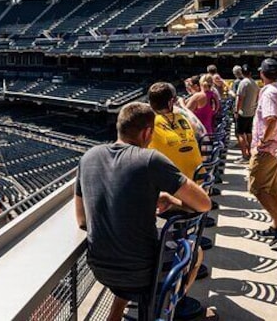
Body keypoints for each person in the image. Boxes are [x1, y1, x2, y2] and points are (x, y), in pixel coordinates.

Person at [75, 102, 211, 321]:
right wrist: (173, 200)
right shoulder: (150, 159)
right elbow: (204, 204)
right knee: (197, 254)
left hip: (99, 267)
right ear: (147, 132)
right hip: (141, 272)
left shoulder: (88, 157)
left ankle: (116, 314)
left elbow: (82, 220)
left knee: (131, 250)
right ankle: (165, 306)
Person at [248, 57, 277, 247]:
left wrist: (263, 140)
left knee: (256, 187)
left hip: (267, 147)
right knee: (272, 188)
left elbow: (271, 118)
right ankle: (276, 225)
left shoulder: (268, 93)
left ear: (262, 74)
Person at [148, 82, 204, 180]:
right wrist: (183, 108)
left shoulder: (149, 124)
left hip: (174, 185)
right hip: (199, 179)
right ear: (171, 102)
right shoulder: (184, 117)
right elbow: (201, 131)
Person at [234, 64, 259, 161]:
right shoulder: (254, 83)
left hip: (243, 112)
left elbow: (240, 98)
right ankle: (250, 152)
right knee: (249, 133)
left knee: (240, 133)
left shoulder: (243, 83)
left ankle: (244, 155)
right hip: (251, 111)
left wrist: (236, 111)